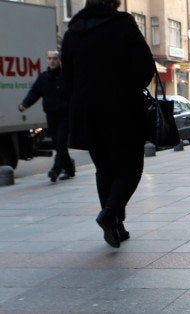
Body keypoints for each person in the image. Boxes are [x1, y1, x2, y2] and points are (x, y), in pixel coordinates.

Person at [61, 0, 156, 248]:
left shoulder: (73, 32)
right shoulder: (122, 24)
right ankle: (110, 214)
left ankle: (116, 226)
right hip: (121, 109)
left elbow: (67, 78)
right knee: (131, 167)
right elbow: (145, 67)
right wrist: (129, 86)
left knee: (104, 169)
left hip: (86, 112)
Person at [18, 50, 75, 182]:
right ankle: (69, 168)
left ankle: (55, 170)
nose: (52, 61)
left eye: (55, 58)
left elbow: (74, 93)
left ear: (59, 60)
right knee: (57, 144)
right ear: (47, 60)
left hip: (65, 115)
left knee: (60, 143)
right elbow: (35, 93)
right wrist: (25, 104)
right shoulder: (44, 78)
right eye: (50, 58)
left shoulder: (65, 76)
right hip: (51, 116)